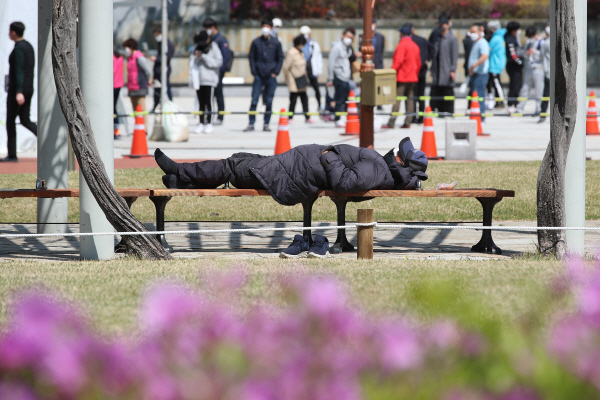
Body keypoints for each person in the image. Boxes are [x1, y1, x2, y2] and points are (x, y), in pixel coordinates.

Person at [3, 22, 37, 162]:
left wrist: (18, 91)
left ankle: (12, 154)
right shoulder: (28, 46)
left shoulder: (18, 49)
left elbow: (18, 71)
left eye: (9, 30)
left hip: (19, 91)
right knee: (25, 120)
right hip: (28, 88)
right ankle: (46, 138)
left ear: (14, 32)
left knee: (11, 121)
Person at [244, 19, 284, 132]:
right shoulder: (256, 42)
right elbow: (251, 57)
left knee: (269, 101)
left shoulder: (276, 42)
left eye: (267, 27)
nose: (265, 29)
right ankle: (251, 123)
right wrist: (254, 71)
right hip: (258, 76)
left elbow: (280, 58)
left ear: (271, 29)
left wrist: (275, 72)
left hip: (271, 76)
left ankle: (266, 123)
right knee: (254, 100)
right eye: (263, 27)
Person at [382, 25, 421, 129]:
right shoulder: (415, 46)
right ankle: (408, 122)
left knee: (397, 99)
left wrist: (391, 72)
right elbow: (418, 63)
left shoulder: (402, 45)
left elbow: (398, 61)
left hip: (402, 76)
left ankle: (391, 122)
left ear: (401, 34)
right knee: (410, 99)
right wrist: (415, 73)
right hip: (412, 77)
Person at [190, 30, 223, 134]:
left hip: (209, 80)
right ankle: (200, 123)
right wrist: (196, 56)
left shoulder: (213, 47)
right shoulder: (196, 47)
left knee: (209, 102)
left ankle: (209, 123)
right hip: (198, 80)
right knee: (200, 103)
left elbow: (218, 62)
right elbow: (192, 62)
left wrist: (203, 57)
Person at [327, 27, 357, 128]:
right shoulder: (337, 47)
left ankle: (341, 117)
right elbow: (331, 63)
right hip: (338, 77)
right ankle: (337, 119)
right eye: (348, 37)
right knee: (339, 99)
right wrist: (331, 78)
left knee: (345, 99)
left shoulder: (348, 48)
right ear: (343, 35)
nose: (349, 39)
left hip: (346, 77)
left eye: (351, 38)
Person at [203, 18, 230, 126]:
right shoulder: (210, 39)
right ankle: (208, 116)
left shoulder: (221, 39)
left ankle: (220, 116)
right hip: (209, 72)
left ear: (213, 28)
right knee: (208, 95)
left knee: (218, 94)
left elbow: (225, 57)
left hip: (218, 72)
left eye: (207, 29)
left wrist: (220, 71)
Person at [430, 15, 458, 114]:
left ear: (448, 26)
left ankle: (449, 110)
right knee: (436, 90)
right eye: (440, 24)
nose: (441, 26)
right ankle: (438, 109)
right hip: (437, 69)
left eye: (444, 25)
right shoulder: (437, 37)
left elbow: (454, 55)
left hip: (447, 69)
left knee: (448, 90)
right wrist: (432, 68)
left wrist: (453, 69)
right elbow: (434, 54)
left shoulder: (452, 39)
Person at [123, 38, 152, 133]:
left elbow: (148, 71)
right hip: (131, 87)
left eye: (127, 48)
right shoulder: (130, 58)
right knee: (135, 110)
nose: (126, 50)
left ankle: (145, 129)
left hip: (140, 87)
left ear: (131, 47)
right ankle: (138, 128)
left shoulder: (139, 57)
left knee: (142, 109)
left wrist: (147, 81)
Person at [407, 23, 432, 124]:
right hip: (422, 69)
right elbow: (433, 49)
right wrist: (427, 59)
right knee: (421, 94)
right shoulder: (422, 39)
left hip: (413, 71)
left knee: (412, 94)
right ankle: (421, 117)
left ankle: (412, 117)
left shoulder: (409, 41)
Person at [517, 26, 544, 116]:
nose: (530, 38)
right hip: (529, 67)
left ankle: (538, 109)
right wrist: (527, 53)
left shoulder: (541, 42)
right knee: (525, 89)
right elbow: (524, 53)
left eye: (531, 36)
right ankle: (520, 108)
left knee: (538, 90)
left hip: (538, 68)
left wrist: (534, 51)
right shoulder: (529, 42)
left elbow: (544, 56)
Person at [283, 35, 311, 123]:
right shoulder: (291, 53)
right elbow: (286, 67)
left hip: (301, 78)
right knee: (293, 99)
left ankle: (307, 117)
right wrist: (286, 78)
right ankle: (290, 117)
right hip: (293, 79)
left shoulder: (301, 52)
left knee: (304, 99)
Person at [467, 23, 489, 122]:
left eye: (473, 32)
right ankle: (477, 117)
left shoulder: (482, 42)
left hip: (480, 74)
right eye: (470, 32)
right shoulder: (476, 42)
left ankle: (481, 119)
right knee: (476, 96)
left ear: (480, 31)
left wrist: (474, 65)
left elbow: (484, 56)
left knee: (479, 97)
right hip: (475, 74)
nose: (471, 34)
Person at [150, 28, 174, 111]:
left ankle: (171, 106)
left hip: (164, 70)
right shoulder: (160, 43)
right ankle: (156, 106)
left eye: (157, 34)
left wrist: (156, 59)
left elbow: (167, 58)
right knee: (156, 89)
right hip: (157, 70)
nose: (157, 37)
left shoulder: (168, 44)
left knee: (166, 88)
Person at [299, 25, 323, 112]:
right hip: (302, 70)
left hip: (312, 69)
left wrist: (319, 71)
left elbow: (318, 58)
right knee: (303, 90)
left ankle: (320, 105)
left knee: (316, 88)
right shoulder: (299, 44)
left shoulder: (314, 44)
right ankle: (305, 110)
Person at [486, 20, 507, 110]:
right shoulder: (500, 37)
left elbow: (487, 49)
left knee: (497, 84)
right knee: (495, 83)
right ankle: (498, 101)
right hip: (497, 63)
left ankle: (501, 102)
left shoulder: (496, 38)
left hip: (495, 64)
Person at [505, 21, 523, 113]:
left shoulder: (513, 38)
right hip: (513, 65)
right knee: (514, 85)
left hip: (514, 65)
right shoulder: (510, 39)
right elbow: (513, 54)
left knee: (517, 85)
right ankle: (511, 104)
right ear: (513, 30)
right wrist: (520, 62)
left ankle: (515, 103)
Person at [539, 23, 551, 123]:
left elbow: (541, 56)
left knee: (546, 93)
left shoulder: (545, 43)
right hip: (552, 71)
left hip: (548, 71)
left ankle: (543, 114)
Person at [113, 47, 124, 139]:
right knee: (114, 108)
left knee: (112, 109)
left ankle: (115, 131)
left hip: (112, 85)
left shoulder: (110, 57)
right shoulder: (120, 57)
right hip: (119, 84)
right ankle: (117, 130)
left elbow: (112, 71)